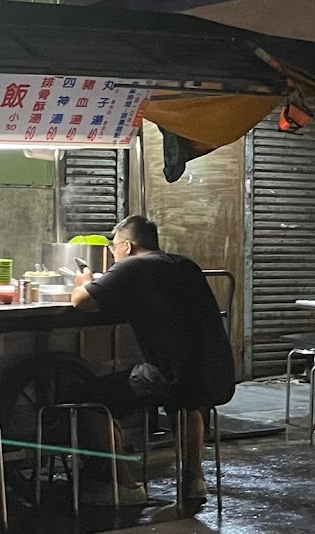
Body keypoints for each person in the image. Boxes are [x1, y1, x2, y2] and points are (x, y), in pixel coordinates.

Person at [70, 215, 236, 507]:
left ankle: (125, 485)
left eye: (114, 250)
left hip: (170, 377)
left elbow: (79, 301)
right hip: (215, 375)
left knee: (90, 398)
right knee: (187, 399)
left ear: (128, 246)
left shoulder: (132, 266)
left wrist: (86, 281)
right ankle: (194, 480)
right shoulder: (185, 265)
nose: (113, 256)